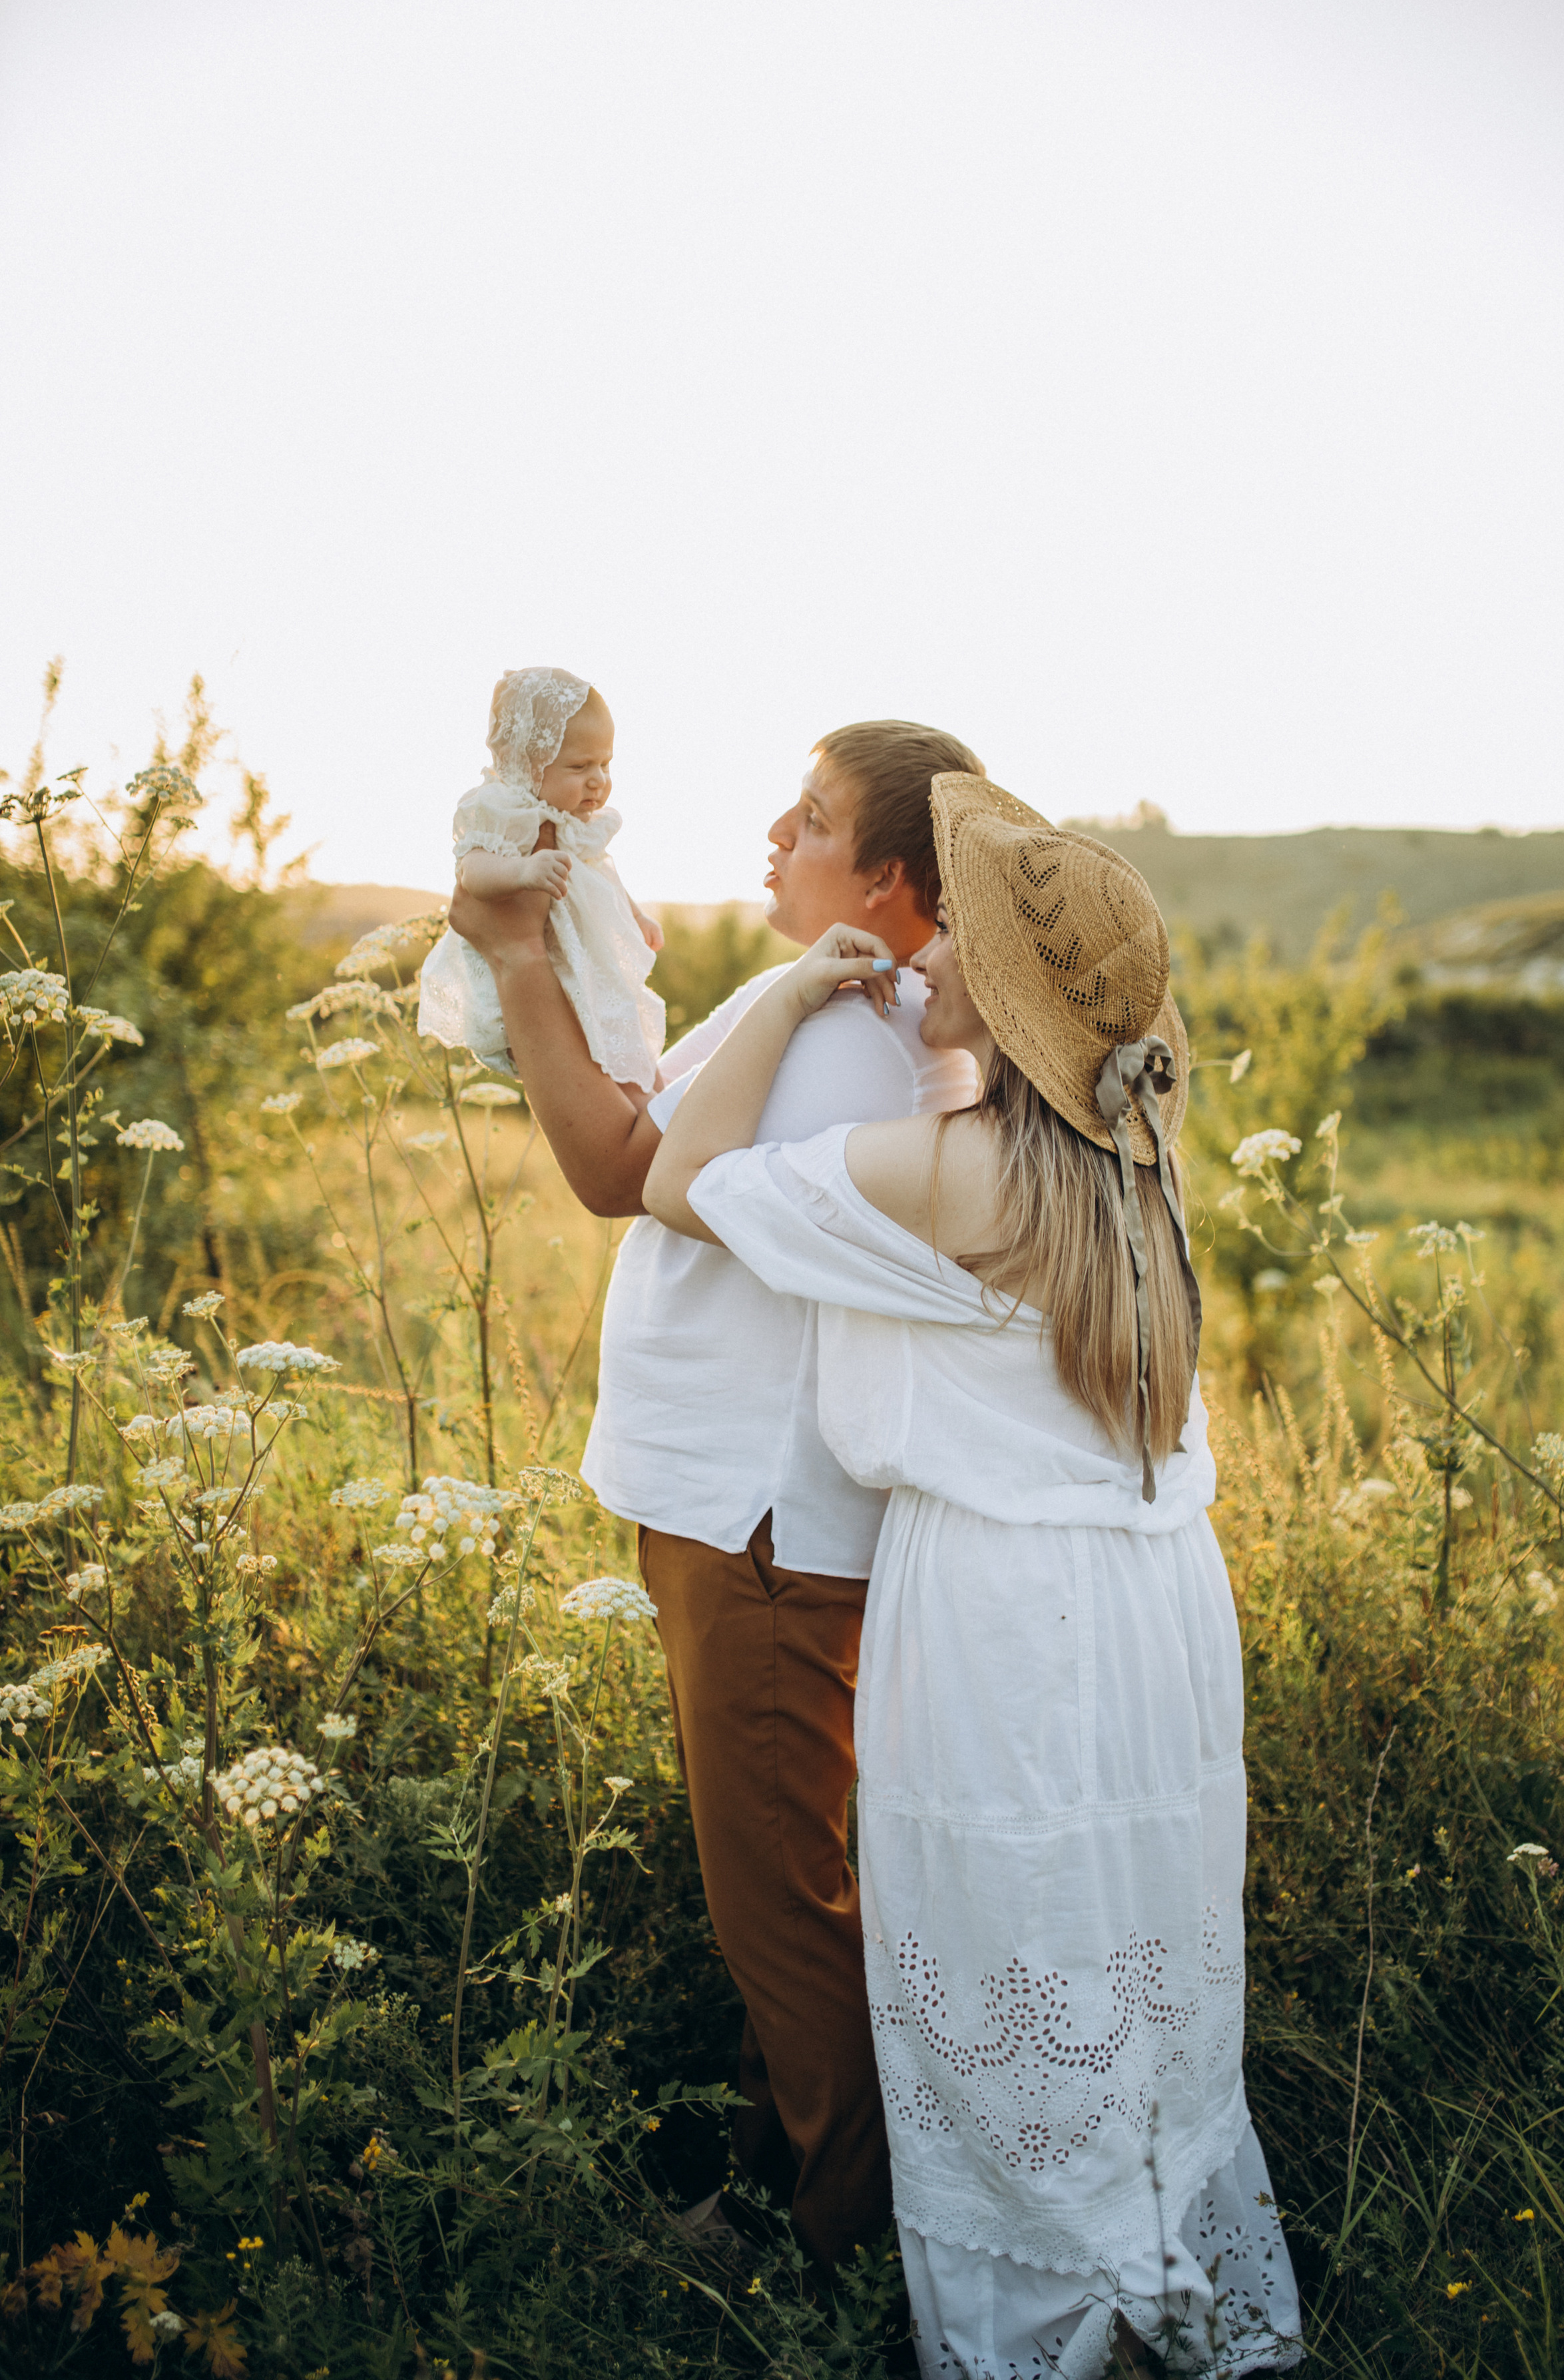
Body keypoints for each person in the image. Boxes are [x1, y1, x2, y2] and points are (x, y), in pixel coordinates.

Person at [645, 776, 1304, 2379]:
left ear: (1002, 1008)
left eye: (964, 949)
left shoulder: (942, 1174)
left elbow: (675, 1178)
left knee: (1006, 1944)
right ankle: (1156, 2260)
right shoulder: (1128, 1155)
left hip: (1001, 1608)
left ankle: (1047, 2318)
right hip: (1151, 1601)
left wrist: (787, 991)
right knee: (1125, 1939)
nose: (928, 950)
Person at [446, 719, 985, 2267]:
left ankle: (838, 2254)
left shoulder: (843, 1037)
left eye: (808, 818)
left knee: (780, 1906)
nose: (772, 833)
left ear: (888, 879)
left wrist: (518, 952)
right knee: (774, 1884)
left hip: (760, 1521)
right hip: (738, 1508)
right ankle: (762, 2198)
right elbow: (633, 1113)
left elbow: (617, 1165)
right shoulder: (814, 1001)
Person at [418, 665, 666, 1088]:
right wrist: (521, 871)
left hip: (587, 966)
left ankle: (648, 1107)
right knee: (576, 1059)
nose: (599, 780)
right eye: (580, 766)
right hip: (541, 972)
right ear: (526, 765)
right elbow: (472, 871)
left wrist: (637, 916)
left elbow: (602, 871)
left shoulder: (579, 824)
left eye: (605, 764)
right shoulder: (506, 810)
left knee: (624, 1047)